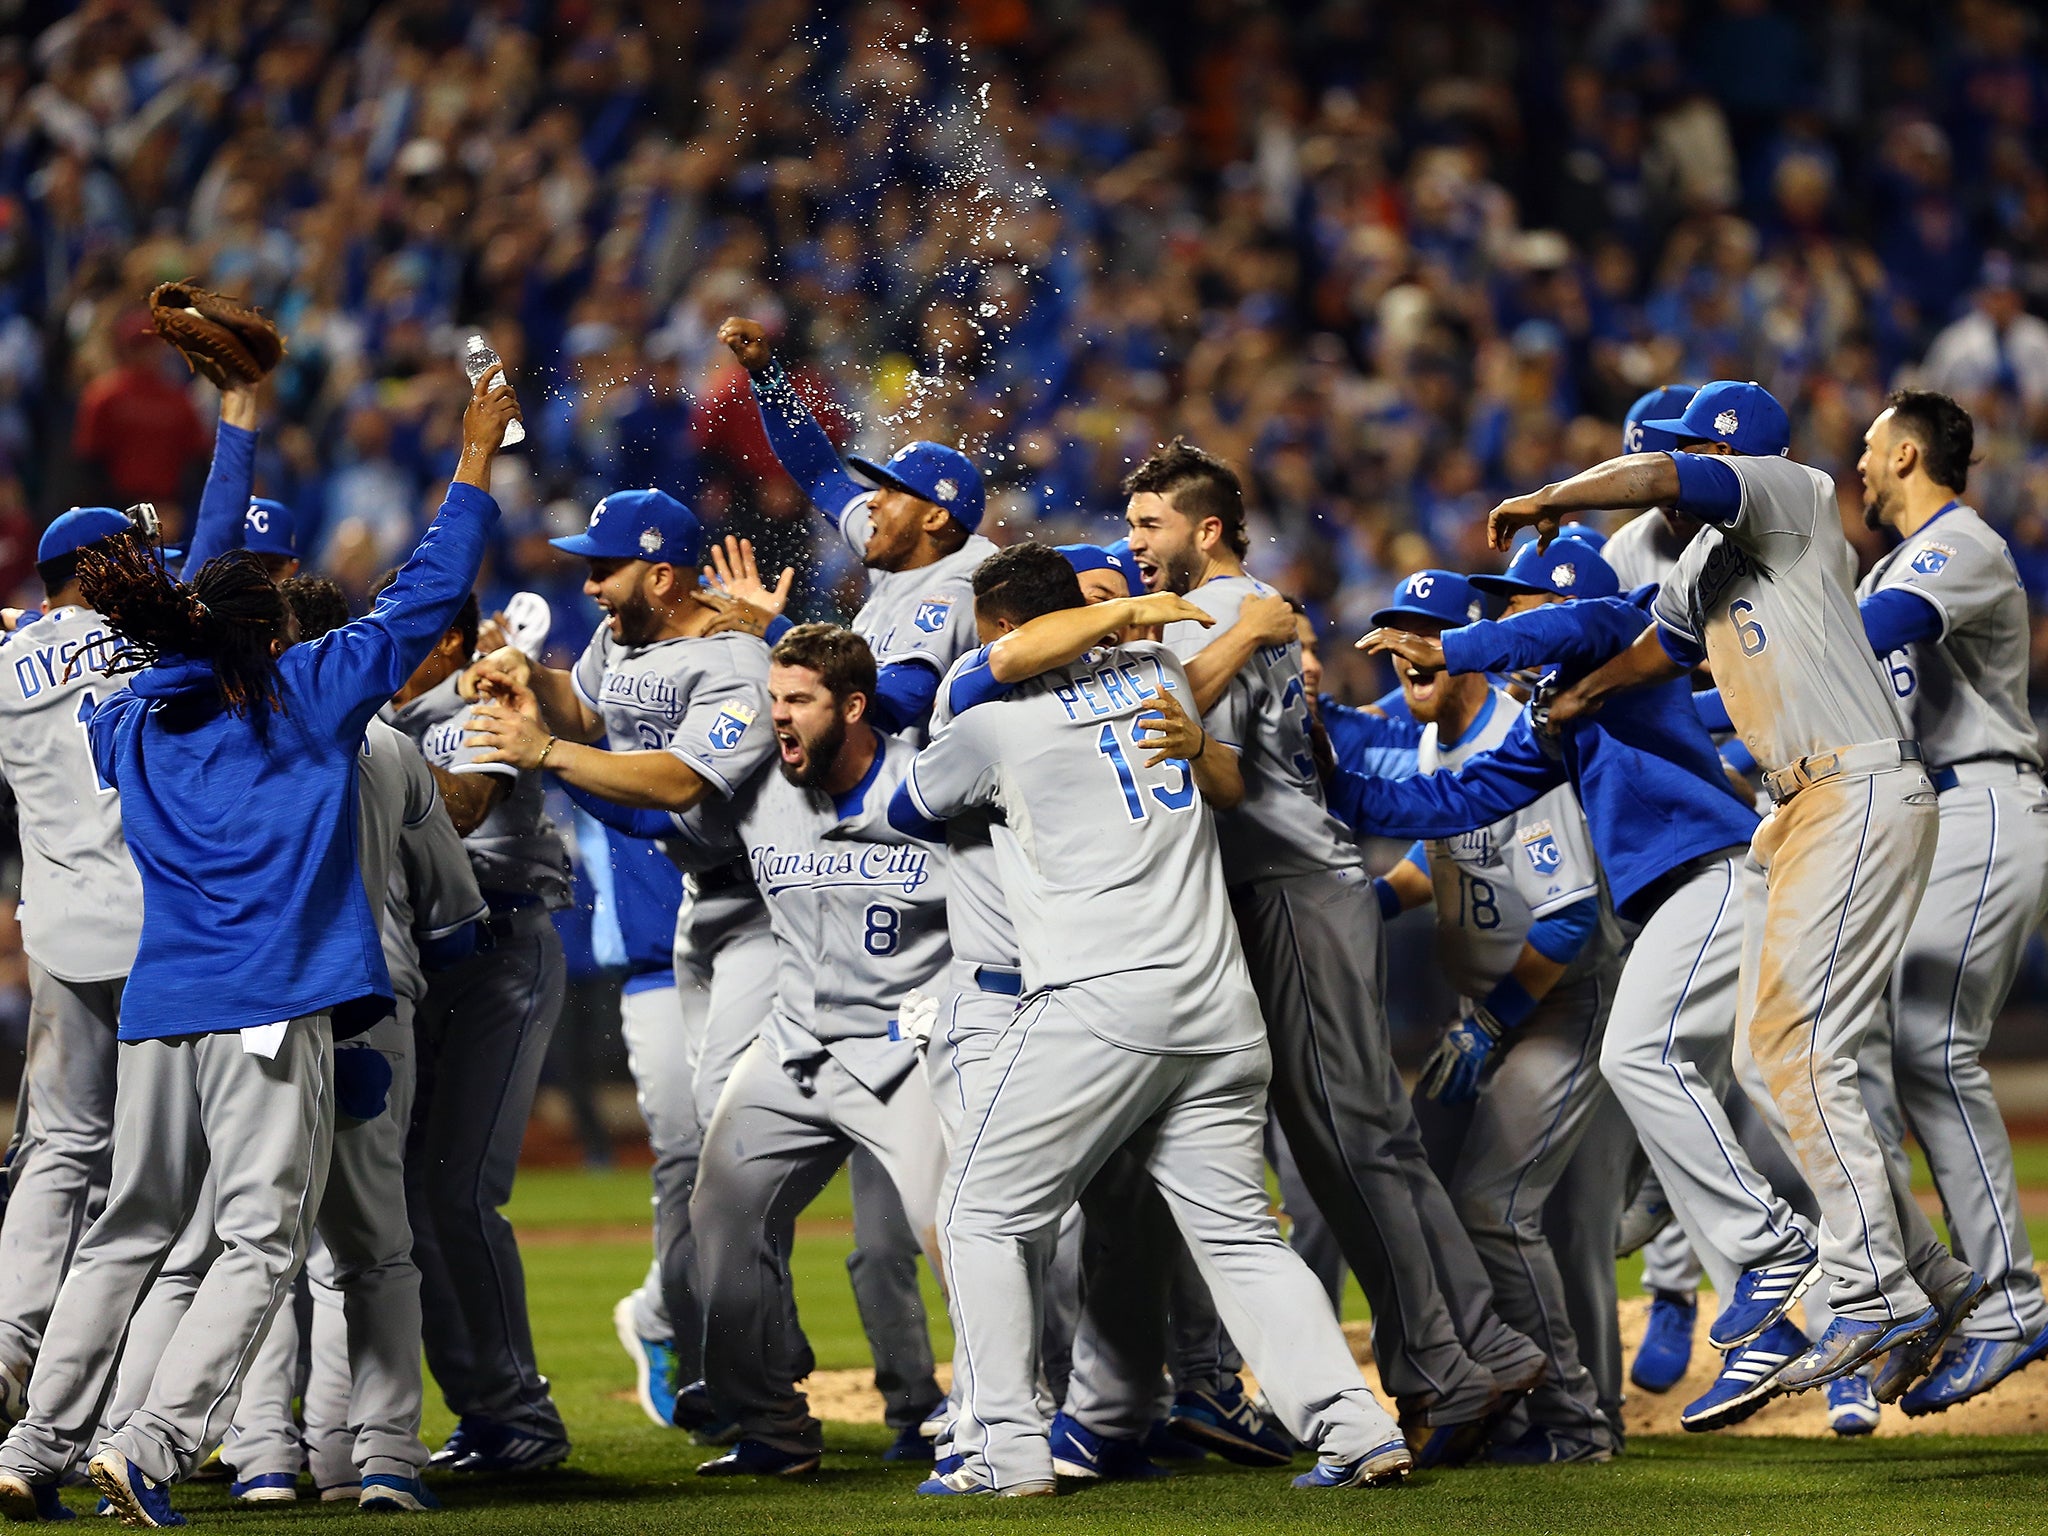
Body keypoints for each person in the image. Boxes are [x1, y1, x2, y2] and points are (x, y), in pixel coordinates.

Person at [0, 366, 518, 1527]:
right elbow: (428, 592)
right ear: (268, 632)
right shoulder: (306, 693)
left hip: (159, 1006)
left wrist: (235, 429)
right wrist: (475, 459)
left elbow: (194, 596)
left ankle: (34, 1440)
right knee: (261, 1241)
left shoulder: (126, 712)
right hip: (270, 1003)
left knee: (134, 1227)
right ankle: (155, 1441)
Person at [895, 550, 1412, 1496]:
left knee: (978, 1214)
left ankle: (1004, 1453)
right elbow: (1217, 770)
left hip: (1101, 1003)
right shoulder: (1159, 675)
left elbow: (909, 805)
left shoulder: (993, 723)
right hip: (1221, 1012)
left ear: (1002, 629)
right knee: (1243, 1239)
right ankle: (1357, 1428)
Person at [1500, 379, 1980, 1394]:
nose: (1663, 483)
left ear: (1730, 461)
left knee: (1795, 1054)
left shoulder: (1790, 494)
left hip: (1854, 788)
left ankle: (1872, 1292)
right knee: (1772, 1064)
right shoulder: (1701, 565)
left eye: (1685, 458)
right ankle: (1926, 1278)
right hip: (1796, 811)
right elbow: (1652, 655)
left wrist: (1552, 496)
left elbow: (1662, 473)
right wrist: (1576, 696)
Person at [1119, 439, 1545, 1465]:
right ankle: (1476, 1348)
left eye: (1148, 524)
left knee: (1347, 1151)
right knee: (1370, 1146)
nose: (1132, 542)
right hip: (1305, 886)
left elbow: (1161, 720)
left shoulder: (1220, 612)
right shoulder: (1247, 606)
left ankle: (1448, 1367)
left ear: (1204, 528)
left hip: (1289, 891)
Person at [1348, 527, 1823, 1433]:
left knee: (1659, 1066)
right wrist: (1342, 788)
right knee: (1698, 1074)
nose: (1505, 622)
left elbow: (1547, 637)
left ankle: (1765, 1256)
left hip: (1715, 879)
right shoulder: (1554, 722)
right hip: (1680, 905)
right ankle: (1814, 1300)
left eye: (1518, 608)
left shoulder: (1617, 631)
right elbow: (1450, 806)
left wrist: (1453, 644)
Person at [466, 492, 778, 1437]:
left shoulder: (736, 663)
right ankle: (713, 1351)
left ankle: (728, 1354)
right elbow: (594, 709)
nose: (589, 583)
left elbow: (677, 785)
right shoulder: (617, 643)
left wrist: (546, 748)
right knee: (698, 1159)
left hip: (772, 908)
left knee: (736, 1155)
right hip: (700, 914)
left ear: (665, 573)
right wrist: (536, 685)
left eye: (605, 568)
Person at [216, 576, 485, 1511]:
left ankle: (263, 1458)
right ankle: (368, 1462)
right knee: (369, 1251)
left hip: (251, 1019)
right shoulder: (387, 747)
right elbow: (457, 915)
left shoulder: (212, 730)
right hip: (373, 1013)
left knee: (254, 1239)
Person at [1370, 567, 1626, 1463]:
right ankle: (1496, 1404)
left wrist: (1495, 1020)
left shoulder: (1520, 743)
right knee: (1413, 1191)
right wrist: (1367, 904)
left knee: (1492, 1205)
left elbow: (1568, 917)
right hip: (1488, 1011)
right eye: (1394, 631)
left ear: (1465, 649)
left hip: (1560, 1007)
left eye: (1422, 630)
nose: (1405, 648)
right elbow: (1430, 861)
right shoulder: (1438, 738)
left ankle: (1577, 1427)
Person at [1850, 390, 2048, 1411]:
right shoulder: (1888, 557)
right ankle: (1932, 1289)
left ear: (1909, 452)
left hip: (1980, 801)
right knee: (1858, 1055)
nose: (1858, 456)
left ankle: (2008, 1298)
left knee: (1930, 1045)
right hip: (1928, 817)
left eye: (1870, 443)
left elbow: (1868, 632)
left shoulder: (1957, 543)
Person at [381, 578, 575, 1474]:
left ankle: (521, 1413)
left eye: (413, 635)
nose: (394, 649)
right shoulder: (417, 710)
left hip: (502, 950)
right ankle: (486, 1414)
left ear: (455, 645)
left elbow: (464, 806)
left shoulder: (485, 699)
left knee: (458, 1191)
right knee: (413, 1199)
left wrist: (378, 725)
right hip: (429, 959)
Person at [0, 507, 148, 1429]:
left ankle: (8, 1350)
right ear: (98, 572)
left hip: (56, 934)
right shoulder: (156, 648)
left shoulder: (8, 664)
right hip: (162, 933)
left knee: (57, 1154)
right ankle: (118, 1416)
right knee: (168, 1176)